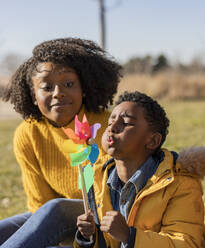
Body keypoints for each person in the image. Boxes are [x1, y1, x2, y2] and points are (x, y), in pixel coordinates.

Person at [0, 37, 121, 246]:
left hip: (104, 221)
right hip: (54, 223)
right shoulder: (28, 134)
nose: (58, 93)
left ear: (83, 88)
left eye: (68, 84)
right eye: (46, 87)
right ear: (33, 93)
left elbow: (114, 197)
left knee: (57, 208)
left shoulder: (107, 125)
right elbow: (39, 208)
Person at [75, 91, 204, 247]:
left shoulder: (180, 184)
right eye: (110, 122)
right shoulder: (96, 177)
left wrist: (129, 236)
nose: (112, 128)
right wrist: (89, 237)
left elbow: (187, 243)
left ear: (153, 141)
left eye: (126, 123)